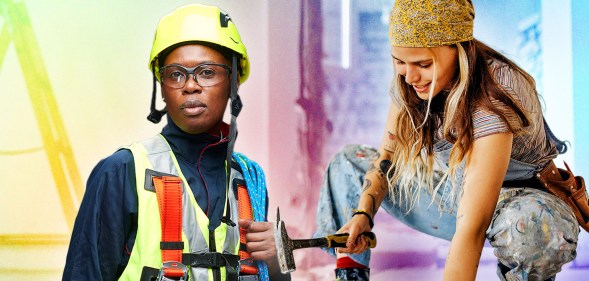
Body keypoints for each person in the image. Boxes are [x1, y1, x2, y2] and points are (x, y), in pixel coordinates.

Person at [314, 0, 580, 280]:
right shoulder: (409, 80)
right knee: (348, 163)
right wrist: (363, 216)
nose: (411, 76)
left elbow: (472, 228)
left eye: (423, 64)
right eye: (400, 62)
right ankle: (350, 276)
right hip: (455, 191)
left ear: (460, 49)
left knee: (534, 226)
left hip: (517, 205)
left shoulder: (496, 92)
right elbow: (387, 159)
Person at [62, 4, 290, 281]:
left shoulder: (248, 181)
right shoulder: (121, 172)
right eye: (175, 74)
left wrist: (276, 262)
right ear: (161, 86)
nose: (190, 85)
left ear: (233, 83)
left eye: (207, 72)